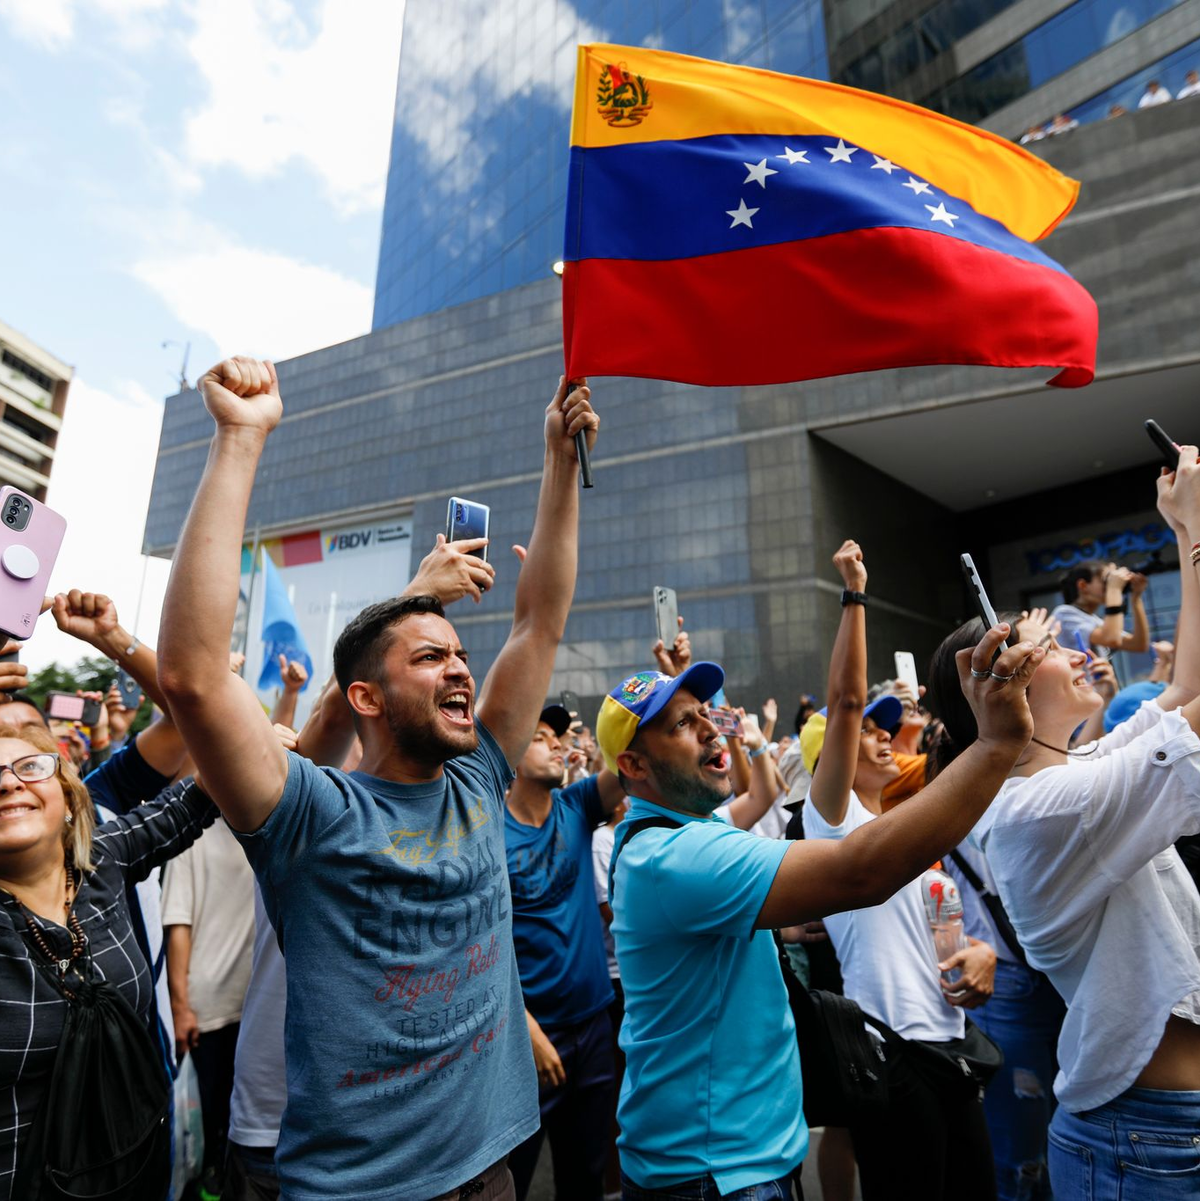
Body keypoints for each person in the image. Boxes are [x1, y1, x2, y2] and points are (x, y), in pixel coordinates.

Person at [157, 356, 599, 1201]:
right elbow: (194, 677)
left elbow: (539, 622)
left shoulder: (478, 780)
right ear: (364, 696)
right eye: (429, 657)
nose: (460, 668)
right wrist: (240, 437)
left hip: (492, 1171)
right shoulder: (310, 815)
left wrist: (556, 457)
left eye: (460, 654)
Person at [597, 601, 1044, 1198]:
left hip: (745, 1154)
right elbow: (860, 872)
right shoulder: (671, 856)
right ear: (632, 764)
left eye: (705, 713)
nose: (710, 728)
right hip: (716, 1171)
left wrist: (774, 928)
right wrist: (995, 744)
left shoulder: (691, 833)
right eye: (683, 724)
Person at [924, 450, 1200, 1199]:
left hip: (1151, 1134)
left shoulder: (1072, 771)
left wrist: (1181, 528)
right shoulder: (1040, 809)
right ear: (1000, 691)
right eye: (1047, 648)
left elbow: (1186, 685)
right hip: (1146, 1141)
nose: (1080, 653)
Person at [802, 542, 1000, 1201]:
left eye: (889, 727)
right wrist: (855, 594)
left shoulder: (912, 831)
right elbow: (846, 699)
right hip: (890, 1055)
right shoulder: (832, 823)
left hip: (953, 1050)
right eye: (870, 731)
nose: (886, 735)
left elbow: (946, 947)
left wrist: (978, 956)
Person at [0, 720, 217, 1200]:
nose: (10, 782)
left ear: (69, 800)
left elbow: (201, 792)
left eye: (30, 767)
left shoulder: (104, 861)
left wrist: (258, 740)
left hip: (134, 1174)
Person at [504, 703, 625, 1201]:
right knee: (509, 1182)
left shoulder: (576, 806)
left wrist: (663, 683)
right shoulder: (487, 832)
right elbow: (474, 945)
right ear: (509, 755)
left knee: (585, 1181)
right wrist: (525, 1028)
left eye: (558, 736)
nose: (556, 743)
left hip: (594, 1027)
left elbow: (631, 757)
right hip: (525, 1041)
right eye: (539, 736)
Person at [163, 813, 256, 1200]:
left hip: (253, 1005)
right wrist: (180, 1005)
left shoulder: (265, 825)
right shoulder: (192, 836)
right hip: (207, 1005)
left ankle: (220, 1177)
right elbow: (177, 923)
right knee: (202, 1115)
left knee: (236, 1114)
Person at [1050, 559, 1149, 657]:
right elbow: (1111, 638)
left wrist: (1136, 599)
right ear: (1083, 585)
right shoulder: (1064, 614)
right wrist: (1114, 589)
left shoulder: (1094, 621)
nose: (1111, 583)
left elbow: (1138, 644)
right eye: (1106, 580)